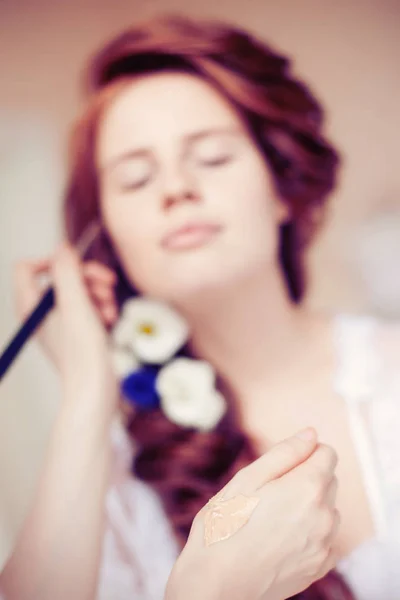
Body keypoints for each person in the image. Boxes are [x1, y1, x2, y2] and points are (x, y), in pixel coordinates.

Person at [0, 13, 399, 600]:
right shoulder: (107, 480)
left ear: (282, 188)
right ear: (108, 238)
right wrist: (87, 392)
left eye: (212, 158)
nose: (175, 188)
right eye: (135, 178)